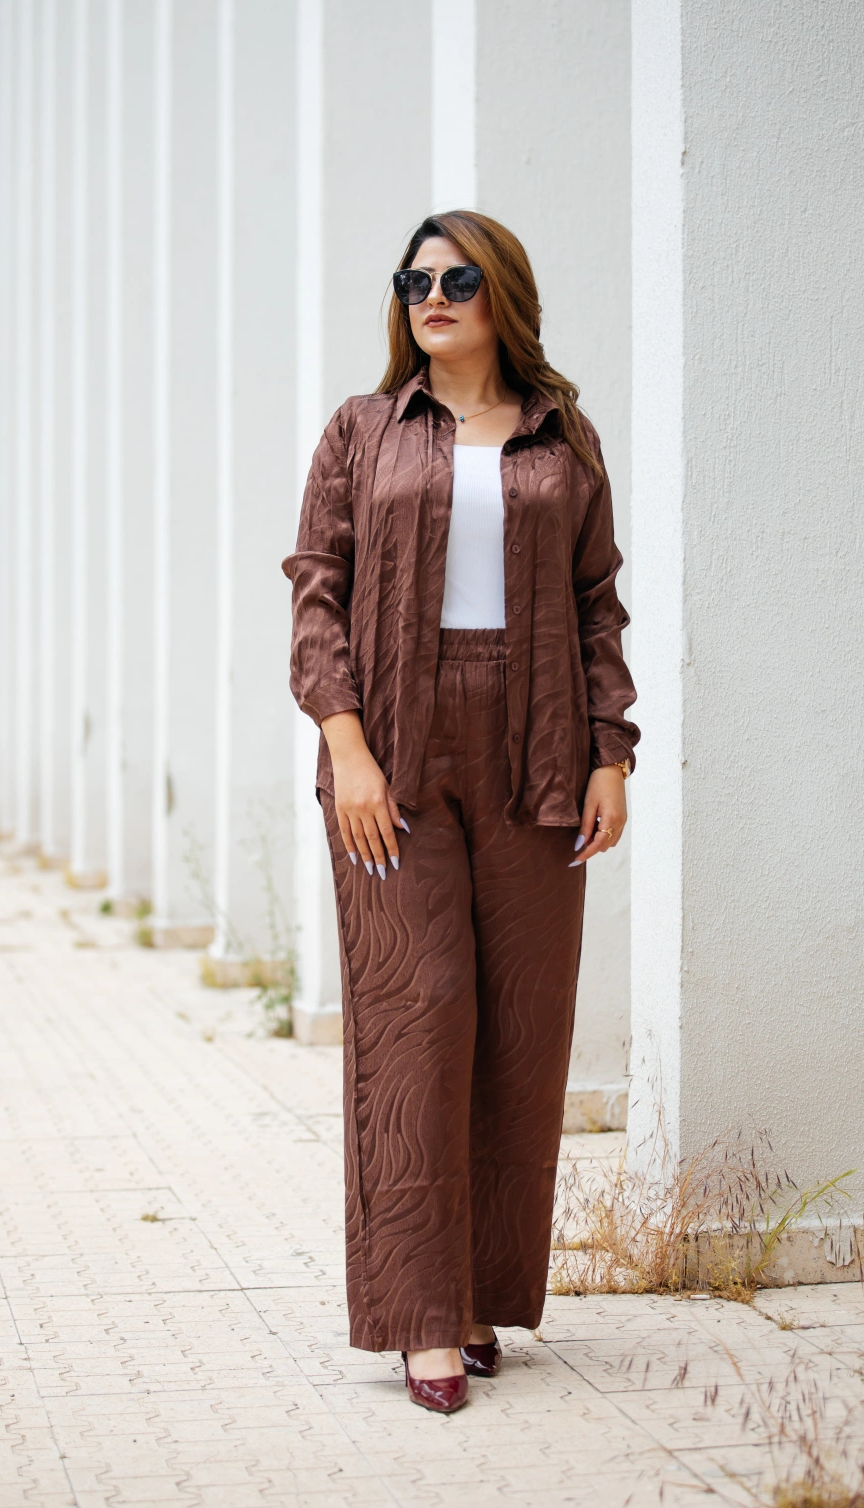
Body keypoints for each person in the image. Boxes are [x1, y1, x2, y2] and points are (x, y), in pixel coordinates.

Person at [283, 210, 638, 1413]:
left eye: (458, 278)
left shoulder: (561, 434)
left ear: (504, 296)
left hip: (538, 748)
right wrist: (347, 747)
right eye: (413, 280)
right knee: (416, 1016)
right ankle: (420, 1317)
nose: (431, 296)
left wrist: (609, 754)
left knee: (518, 1035)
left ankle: (478, 1295)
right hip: (394, 751)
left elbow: (596, 603)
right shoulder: (362, 429)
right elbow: (317, 592)